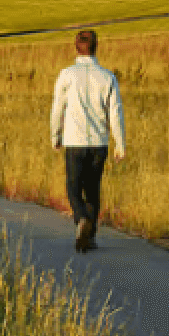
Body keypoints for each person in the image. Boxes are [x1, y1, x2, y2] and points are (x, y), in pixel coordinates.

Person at [50, 28, 125, 253]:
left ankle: (81, 219)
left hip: (74, 141)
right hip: (99, 143)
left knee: (73, 186)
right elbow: (115, 112)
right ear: (96, 47)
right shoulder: (107, 77)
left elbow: (57, 108)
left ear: (76, 47)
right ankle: (89, 237)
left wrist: (56, 135)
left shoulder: (66, 75)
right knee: (93, 189)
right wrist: (120, 143)